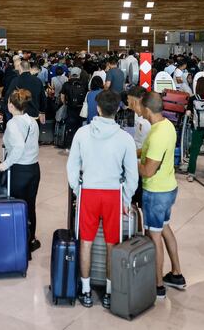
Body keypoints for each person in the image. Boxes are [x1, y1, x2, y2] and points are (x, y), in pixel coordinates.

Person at [66, 89, 139, 309]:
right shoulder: (126, 138)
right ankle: (108, 292)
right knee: (111, 244)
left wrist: (78, 191)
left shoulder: (82, 133)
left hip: (88, 192)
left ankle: (86, 291)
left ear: (97, 108)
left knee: (86, 243)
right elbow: (132, 176)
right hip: (113, 195)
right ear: (117, 110)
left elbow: (72, 167)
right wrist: (125, 200)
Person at [137, 91, 187, 300]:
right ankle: (176, 273)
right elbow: (149, 154)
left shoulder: (157, 134)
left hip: (156, 192)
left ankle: (158, 285)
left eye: (140, 107)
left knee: (154, 236)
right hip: (169, 187)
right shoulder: (166, 126)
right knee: (164, 228)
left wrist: (132, 164)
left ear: (147, 109)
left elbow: (148, 170)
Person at [0, 89, 42, 257]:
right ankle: (30, 241)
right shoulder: (32, 121)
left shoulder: (13, 123)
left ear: (11, 105)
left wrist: (5, 164)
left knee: (16, 207)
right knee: (30, 206)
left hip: (19, 171)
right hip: (34, 169)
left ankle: (17, 243)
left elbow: (18, 148)